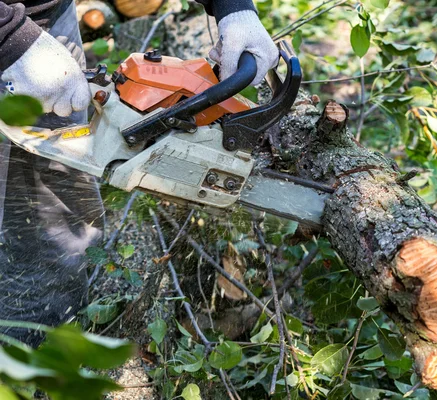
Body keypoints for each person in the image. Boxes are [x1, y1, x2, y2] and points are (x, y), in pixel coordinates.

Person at [0, 0, 279, 346]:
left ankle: (44, 356)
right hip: (15, 37)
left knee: (55, 238)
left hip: (45, 20)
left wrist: (233, 8)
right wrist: (9, 39)